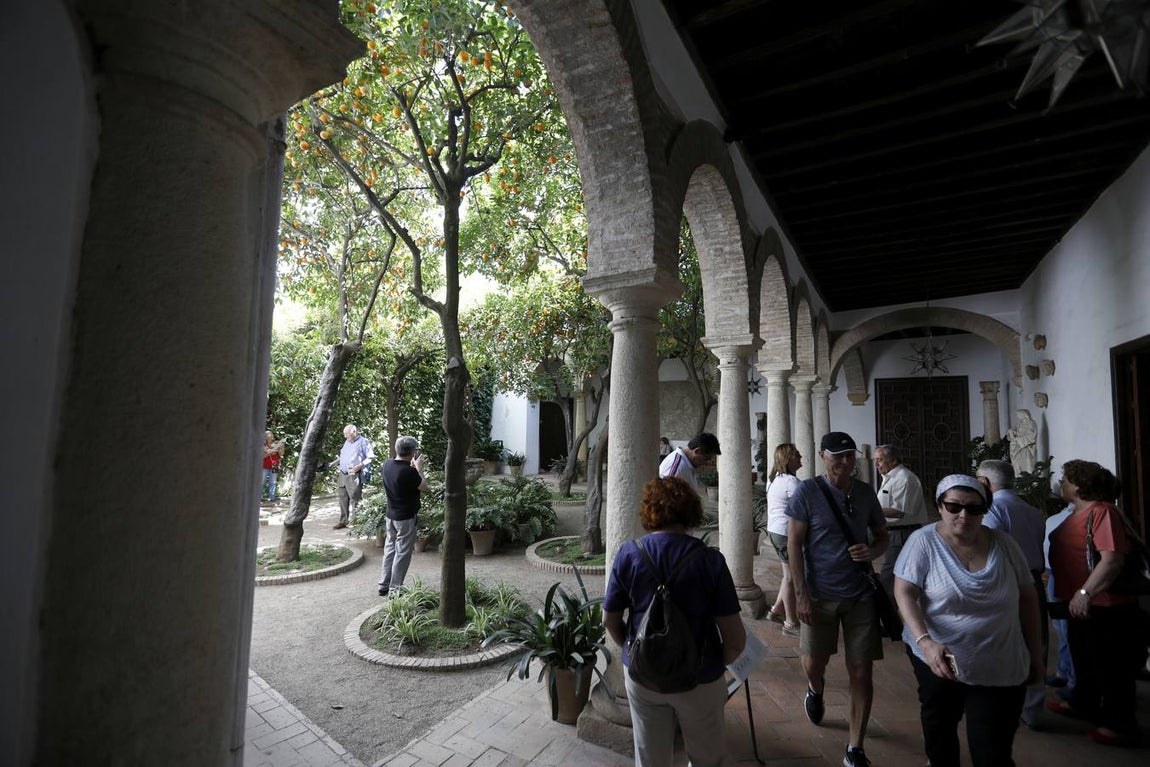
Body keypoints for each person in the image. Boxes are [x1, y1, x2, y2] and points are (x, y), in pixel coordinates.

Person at [894, 474, 1043, 767]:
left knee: (991, 749)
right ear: (940, 507)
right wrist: (925, 642)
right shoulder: (923, 542)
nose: (964, 515)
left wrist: (1036, 654)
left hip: (999, 663)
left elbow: (1028, 599)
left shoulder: (1004, 545)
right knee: (940, 731)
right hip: (938, 660)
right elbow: (904, 592)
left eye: (974, 508)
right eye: (954, 507)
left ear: (985, 510)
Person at [603, 476, 746, 767]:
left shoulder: (630, 554)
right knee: (709, 759)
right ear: (691, 512)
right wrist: (715, 666)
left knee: (651, 759)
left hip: (644, 677)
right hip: (700, 678)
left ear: (649, 510)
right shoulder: (710, 561)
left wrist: (634, 649)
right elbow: (735, 640)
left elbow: (610, 620)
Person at [786, 431, 890, 767]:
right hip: (819, 595)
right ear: (822, 456)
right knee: (815, 662)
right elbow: (794, 545)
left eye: (849, 455)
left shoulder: (864, 493)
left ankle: (854, 748)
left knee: (861, 671)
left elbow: (882, 535)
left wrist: (872, 550)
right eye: (837, 455)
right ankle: (815, 689)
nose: (844, 462)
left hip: (860, 593)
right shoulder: (807, 492)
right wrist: (801, 594)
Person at [1047, 460, 1144, 746]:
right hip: (1081, 603)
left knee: (1112, 667)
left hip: (1106, 604)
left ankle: (1121, 724)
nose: (1061, 483)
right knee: (1085, 658)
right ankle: (1084, 704)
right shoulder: (1080, 512)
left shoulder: (1103, 512)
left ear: (1079, 485)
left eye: (1065, 479)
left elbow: (1112, 559)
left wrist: (1086, 592)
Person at [975, 459, 1049, 729]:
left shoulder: (994, 510)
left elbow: (994, 551)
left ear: (985, 482)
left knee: (1004, 639)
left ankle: (1004, 702)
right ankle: (1032, 709)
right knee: (1035, 639)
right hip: (1034, 580)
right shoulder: (1031, 511)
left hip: (1007, 580)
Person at [874, 444, 928, 607]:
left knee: (889, 577)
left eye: (880, 460)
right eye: (875, 461)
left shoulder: (905, 478)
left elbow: (899, 512)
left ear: (893, 460)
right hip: (893, 532)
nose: (877, 464)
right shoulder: (890, 478)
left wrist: (871, 510)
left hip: (903, 533)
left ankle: (889, 620)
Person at [377, 435, 428, 597]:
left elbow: (400, 475)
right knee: (403, 553)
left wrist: (412, 467)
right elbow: (424, 486)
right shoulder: (409, 472)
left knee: (390, 549)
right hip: (405, 518)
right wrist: (419, 468)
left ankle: (384, 584)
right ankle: (395, 589)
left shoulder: (387, 464)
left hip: (390, 516)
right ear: (412, 452)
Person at [765, 443, 802, 636]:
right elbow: (805, 507)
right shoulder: (790, 481)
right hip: (785, 532)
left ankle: (776, 610)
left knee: (787, 573)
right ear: (789, 459)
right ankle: (790, 623)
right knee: (790, 577)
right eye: (797, 455)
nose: (800, 457)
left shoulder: (774, 479)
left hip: (775, 530)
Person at [1043, 502, 1076, 691]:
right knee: (1061, 626)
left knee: (1067, 627)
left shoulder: (1091, 514)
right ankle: (1064, 671)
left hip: (1068, 573)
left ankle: (1073, 680)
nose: (1062, 482)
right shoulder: (1064, 515)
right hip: (1054, 570)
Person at [334, 424, 374, 530]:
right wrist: (332, 463)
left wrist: (358, 467)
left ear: (354, 432)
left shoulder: (363, 442)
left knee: (355, 498)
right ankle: (343, 521)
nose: (345, 436)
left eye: (347, 434)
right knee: (342, 498)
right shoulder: (347, 442)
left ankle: (357, 522)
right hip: (342, 474)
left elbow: (370, 457)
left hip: (353, 474)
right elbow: (342, 457)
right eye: (344, 434)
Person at [1006, 409, 1037, 475]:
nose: (1018, 416)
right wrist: (1012, 432)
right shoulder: (1020, 424)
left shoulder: (1031, 423)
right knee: (1017, 466)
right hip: (1018, 448)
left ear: (1024, 415)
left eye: (1019, 414)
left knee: (1027, 466)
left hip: (1025, 449)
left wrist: (1017, 440)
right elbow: (1017, 433)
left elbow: (1031, 437)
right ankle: (1019, 479)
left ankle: (1027, 482)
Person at [262, 430, 285, 503]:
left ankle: (272, 498)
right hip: (264, 466)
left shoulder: (275, 444)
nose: (271, 436)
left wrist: (281, 448)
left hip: (274, 466)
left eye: (272, 435)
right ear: (266, 437)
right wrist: (270, 453)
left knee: (273, 482)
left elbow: (281, 454)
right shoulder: (263, 445)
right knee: (262, 482)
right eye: (269, 435)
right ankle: (260, 497)